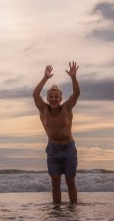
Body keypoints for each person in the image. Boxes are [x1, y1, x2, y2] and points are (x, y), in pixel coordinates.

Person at [32, 62, 80, 205]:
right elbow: (35, 94)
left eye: (56, 97)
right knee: (55, 181)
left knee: (70, 180)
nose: (53, 99)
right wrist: (45, 78)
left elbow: (76, 94)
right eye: (51, 97)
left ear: (60, 98)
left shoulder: (67, 108)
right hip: (53, 150)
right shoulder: (43, 109)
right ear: (47, 98)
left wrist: (73, 77)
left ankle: (73, 209)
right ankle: (57, 210)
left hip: (68, 148)